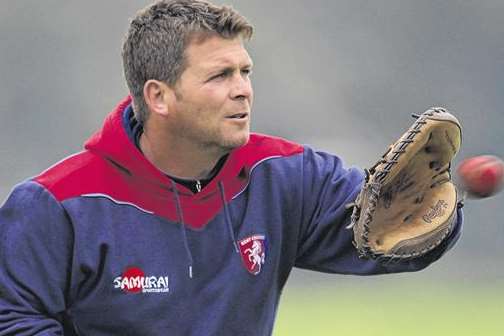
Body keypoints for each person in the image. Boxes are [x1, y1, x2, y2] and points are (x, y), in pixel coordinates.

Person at [0, 1, 462, 335]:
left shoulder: (286, 176)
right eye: (220, 76)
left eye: (245, 72)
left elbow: (394, 232)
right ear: (159, 96)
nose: (243, 90)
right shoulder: (55, 205)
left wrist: (441, 215)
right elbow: (13, 321)